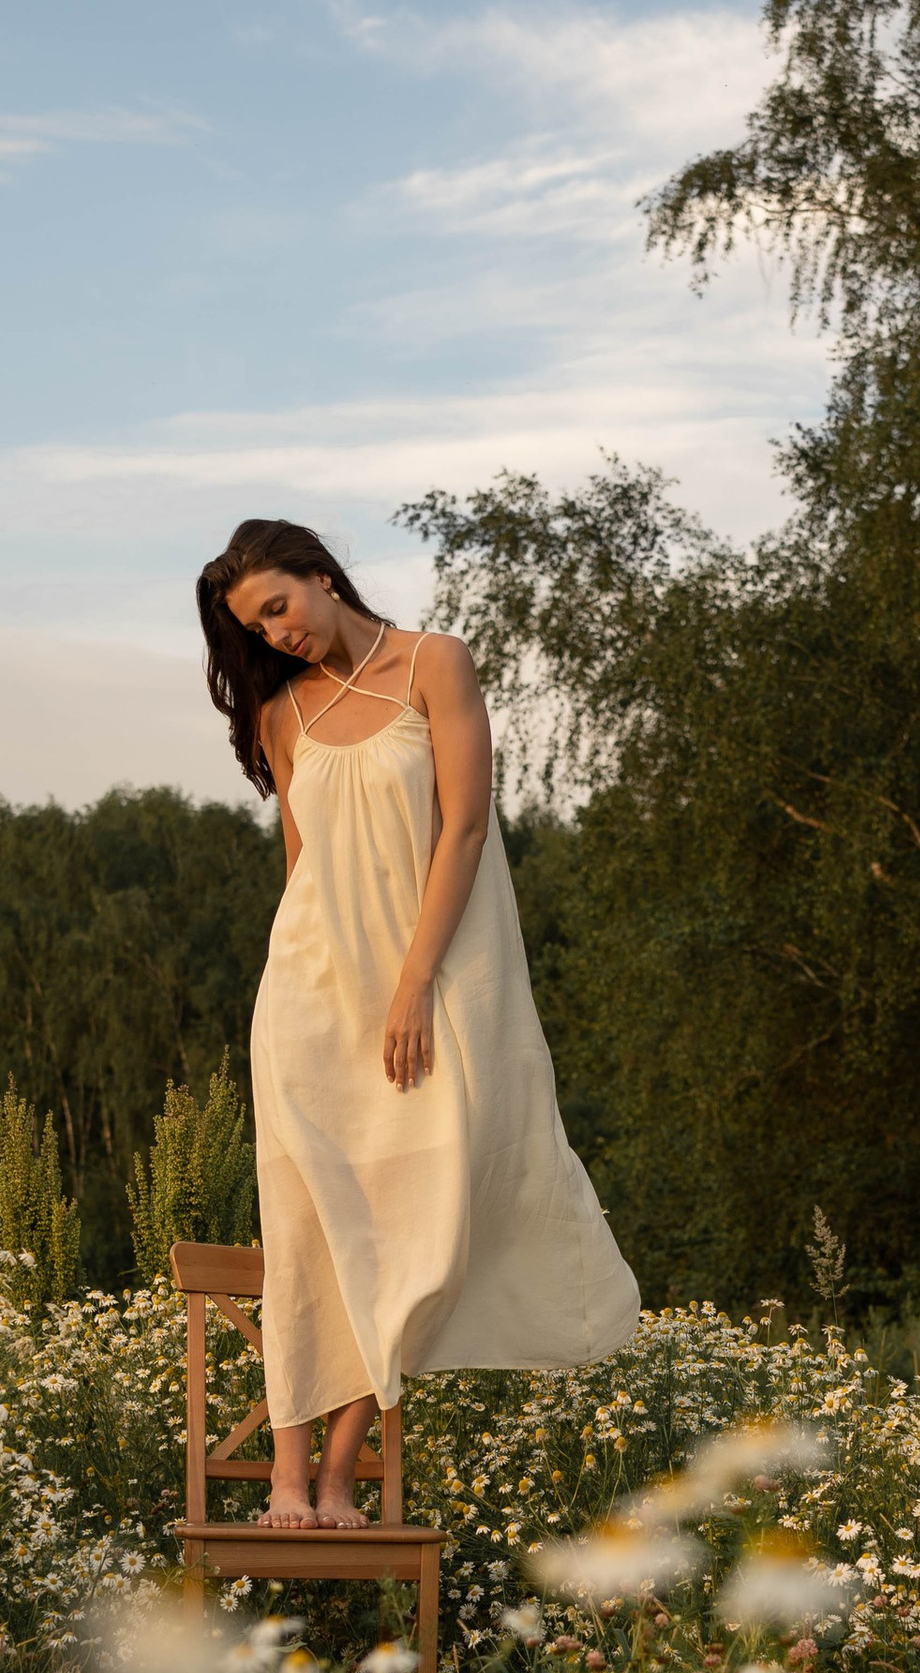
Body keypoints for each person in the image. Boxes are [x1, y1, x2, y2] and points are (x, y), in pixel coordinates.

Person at [195, 517, 640, 1527]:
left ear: (319, 577)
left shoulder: (434, 663)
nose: (275, 634)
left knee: (413, 1233)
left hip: (424, 998)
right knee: (307, 1224)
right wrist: (327, 992)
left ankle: (342, 1475)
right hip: (310, 1002)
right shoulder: (285, 714)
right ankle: (289, 1479)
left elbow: (468, 826)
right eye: (255, 628)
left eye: (278, 607)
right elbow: (303, 874)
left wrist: (410, 986)